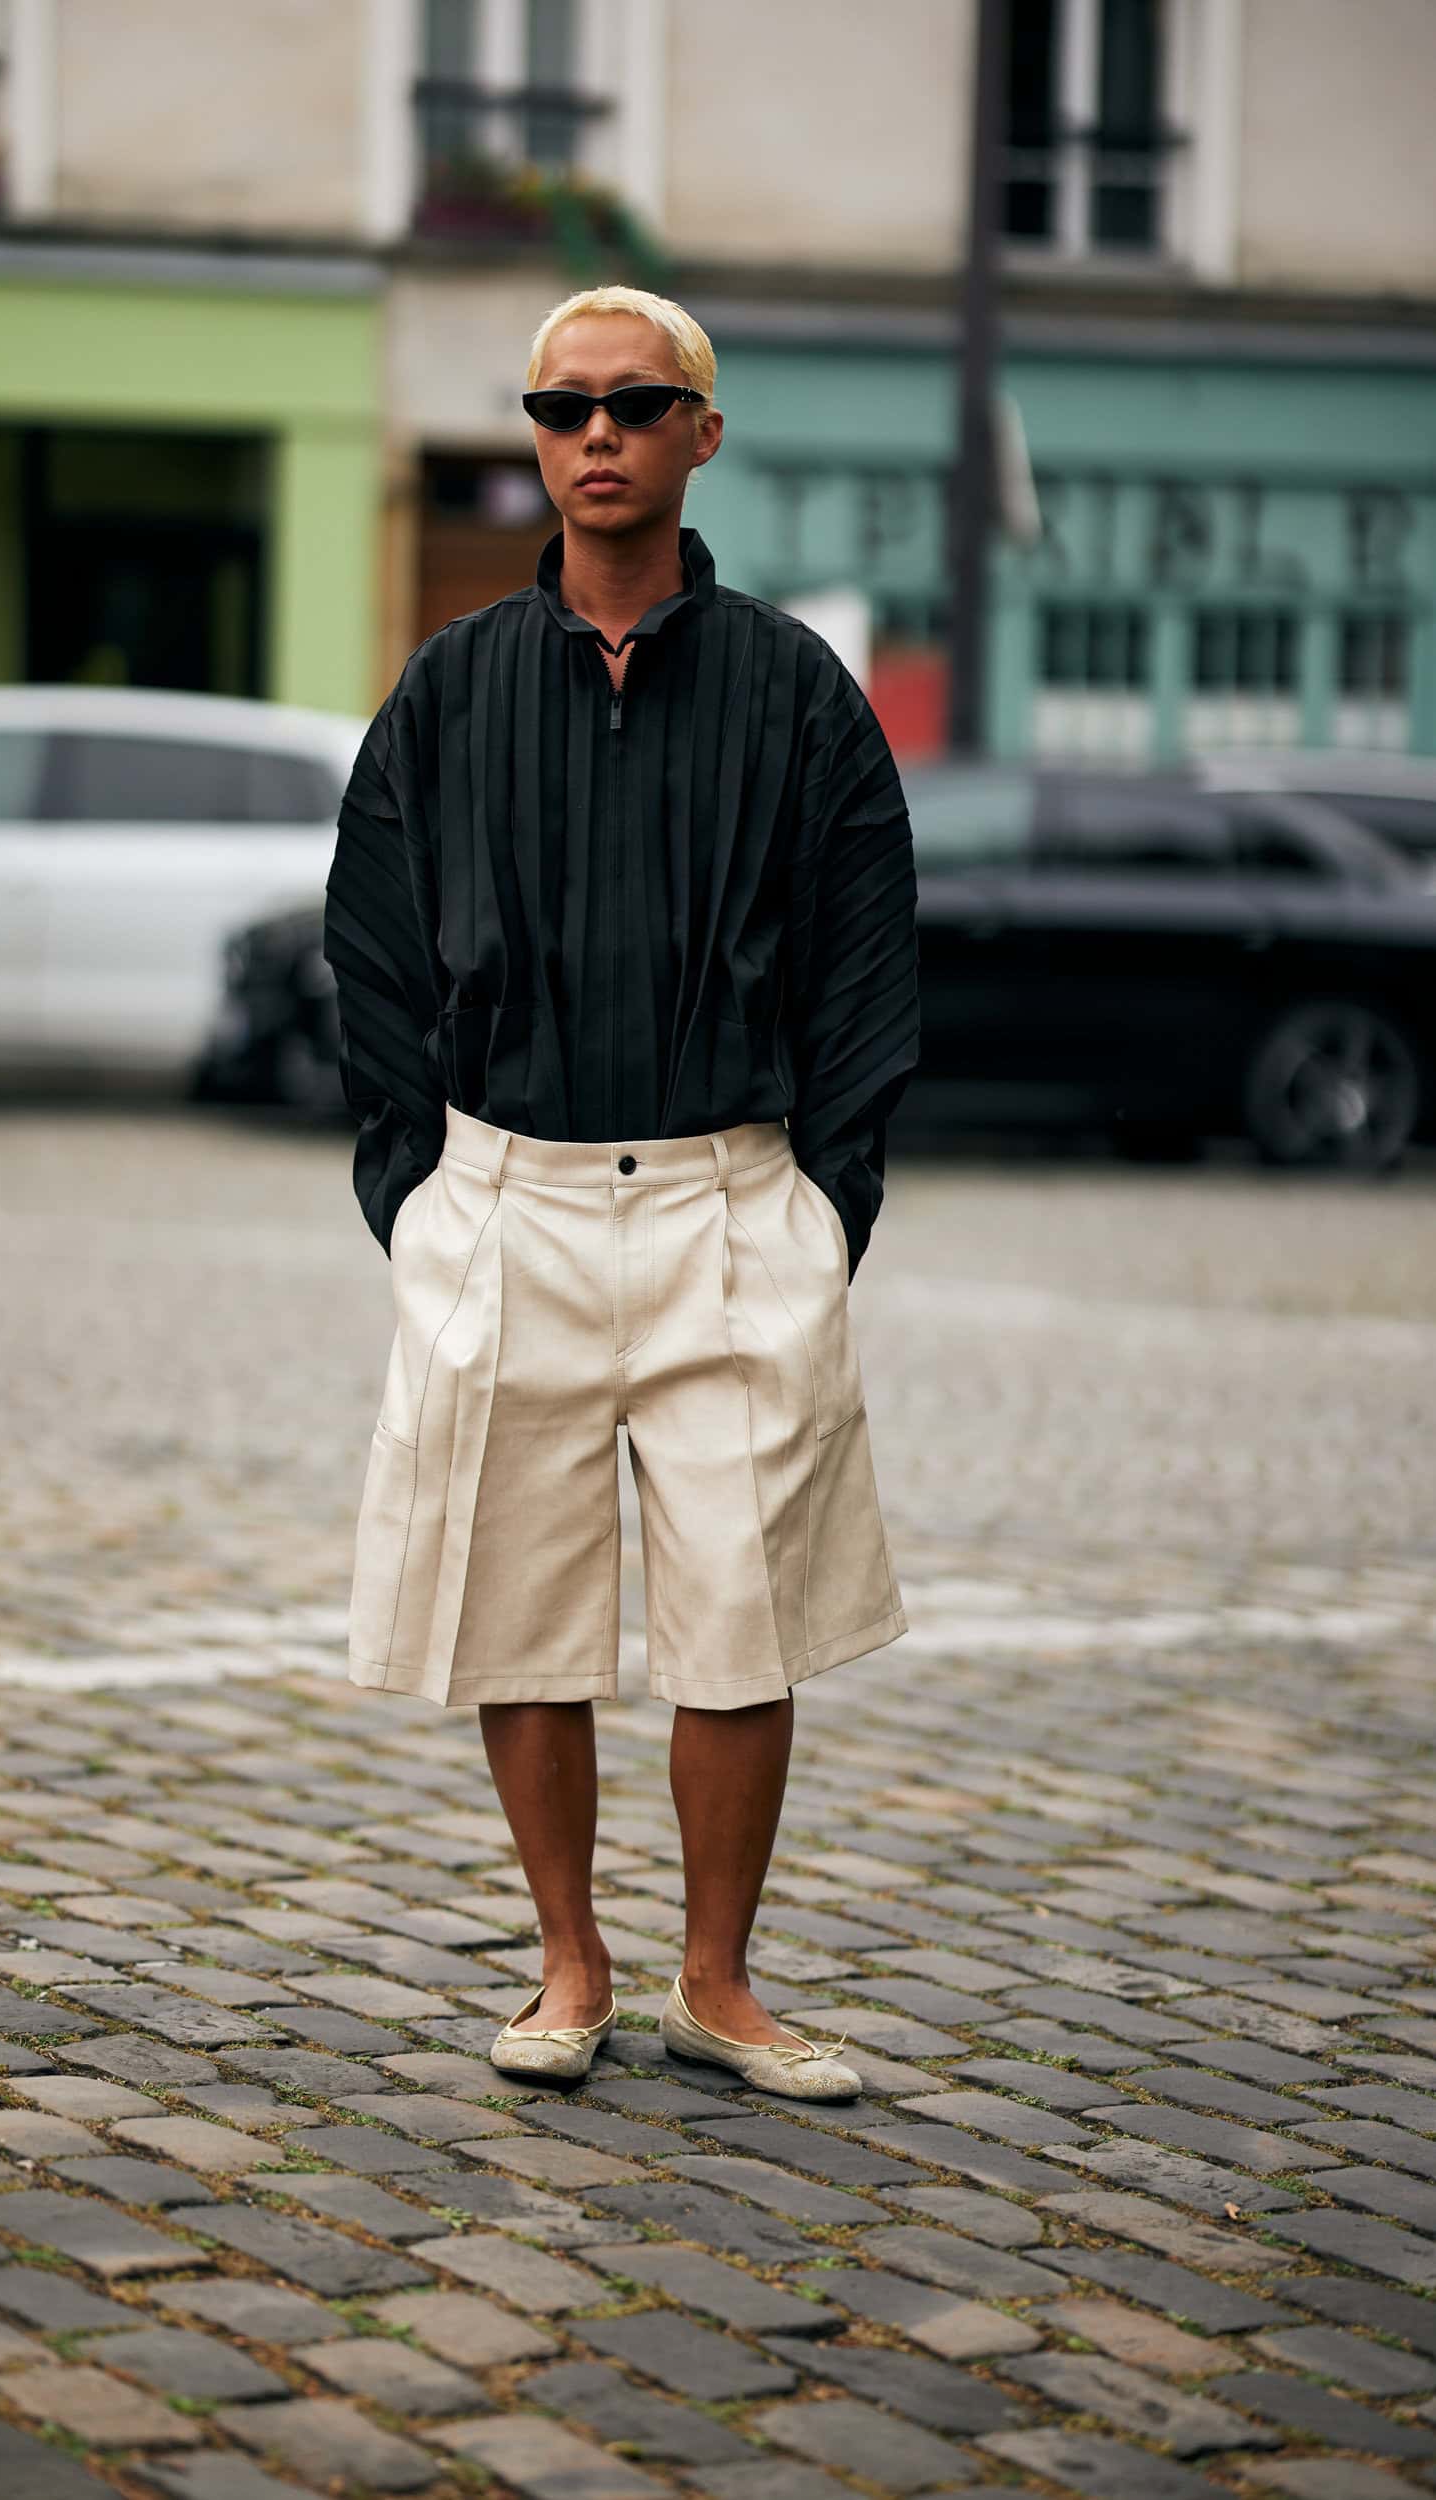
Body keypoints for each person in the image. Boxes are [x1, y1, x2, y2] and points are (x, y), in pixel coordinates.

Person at [323, 285, 918, 2100]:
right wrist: (417, 1194)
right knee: (519, 1601)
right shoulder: (451, 688)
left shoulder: (795, 693)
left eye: (638, 404)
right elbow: (372, 953)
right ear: (534, 435)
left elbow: (865, 968)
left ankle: (716, 1982)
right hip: (509, 1194)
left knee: (745, 1604)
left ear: (700, 434)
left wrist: (820, 1214)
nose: (597, 434)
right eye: (562, 406)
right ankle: (566, 1962)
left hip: (732, 1200)